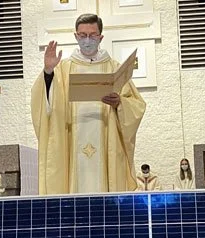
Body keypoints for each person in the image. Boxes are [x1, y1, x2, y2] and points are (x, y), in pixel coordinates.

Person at [31, 13, 146, 194]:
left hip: (108, 143)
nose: (87, 40)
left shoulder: (114, 67)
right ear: (76, 36)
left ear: (101, 37)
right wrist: (48, 71)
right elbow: (45, 104)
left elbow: (137, 106)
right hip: (71, 143)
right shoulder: (62, 69)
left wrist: (120, 103)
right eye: (83, 35)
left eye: (92, 35)